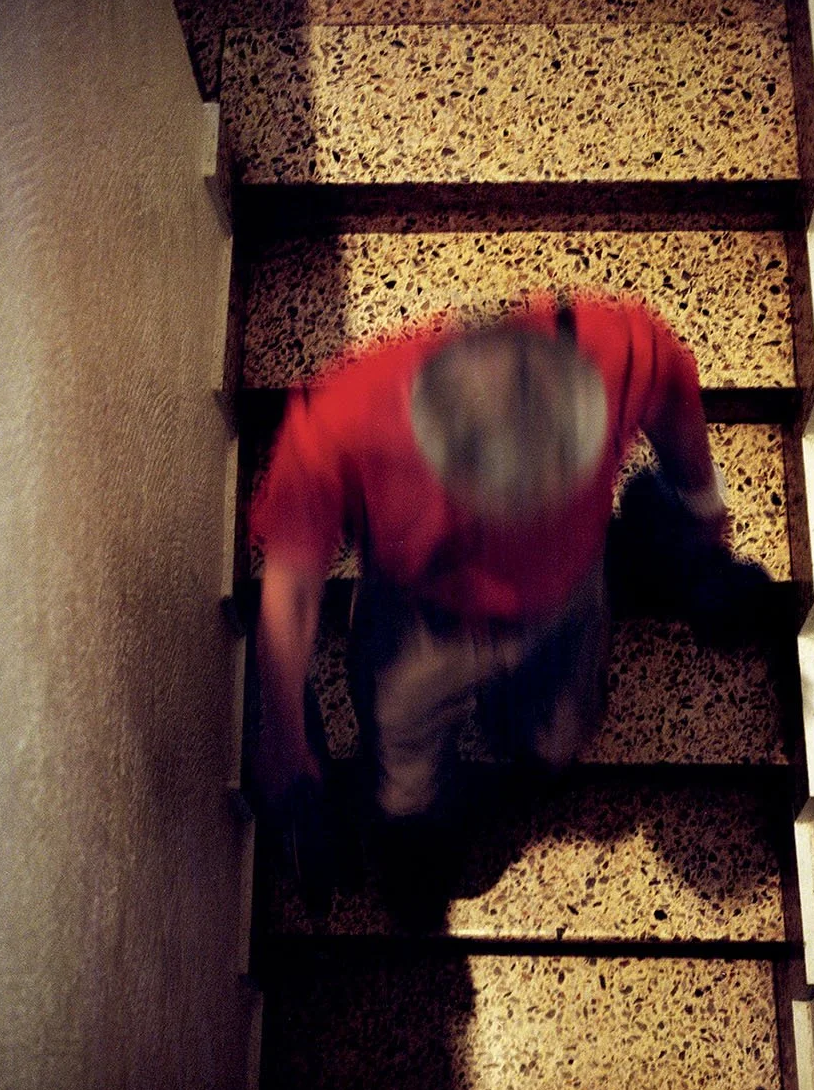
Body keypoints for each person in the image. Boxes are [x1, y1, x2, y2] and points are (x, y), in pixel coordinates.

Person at [250, 293, 732, 919]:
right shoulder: (342, 420)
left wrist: (700, 500)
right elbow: (290, 588)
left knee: (560, 737)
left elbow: (667, 388)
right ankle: (413, 840)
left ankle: (525, 753)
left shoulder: (618, 346)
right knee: (403, 776)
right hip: (421, 622)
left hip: (568, 600)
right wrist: (286, 738)